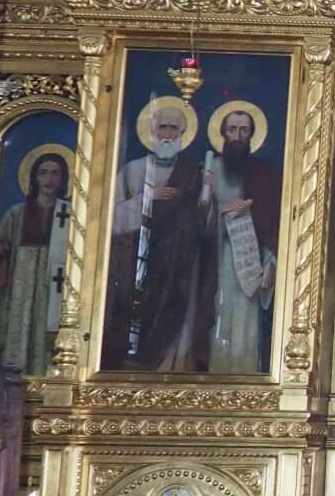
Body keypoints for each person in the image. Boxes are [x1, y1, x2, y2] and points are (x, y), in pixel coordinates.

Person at [104, 99, 211, 371]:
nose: (167, 134)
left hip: (177, 264)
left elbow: (202, 223)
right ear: (152, 131)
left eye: (174, 128)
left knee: (174, 311)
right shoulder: (133, 170)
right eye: (162, 127)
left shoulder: (192, 173)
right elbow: (110, 219)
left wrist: (207, 192)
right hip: (137, 260)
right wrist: (148, 197)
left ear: (182, 134)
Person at [206, 105, 283, 374]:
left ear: (251, 135)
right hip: (216, 261)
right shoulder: (211, 170)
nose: (237, 136)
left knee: (246, 322)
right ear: (222, 133)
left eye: (243, 130)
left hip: (250, 261)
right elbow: (196, 220)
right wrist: (224, 209)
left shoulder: (263, 174)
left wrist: (271, 263)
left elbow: (274, 222)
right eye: (232, 130)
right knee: (218, 314)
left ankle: (244, 379)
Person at [0, 149, 69, 375]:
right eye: (43, 173)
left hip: (53, 286)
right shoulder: (17, 213)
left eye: (55, 173)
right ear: (34, 177)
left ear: (63, 178)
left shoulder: (69, 214)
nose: (49, 179)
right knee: (16, 332)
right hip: (20, 287)